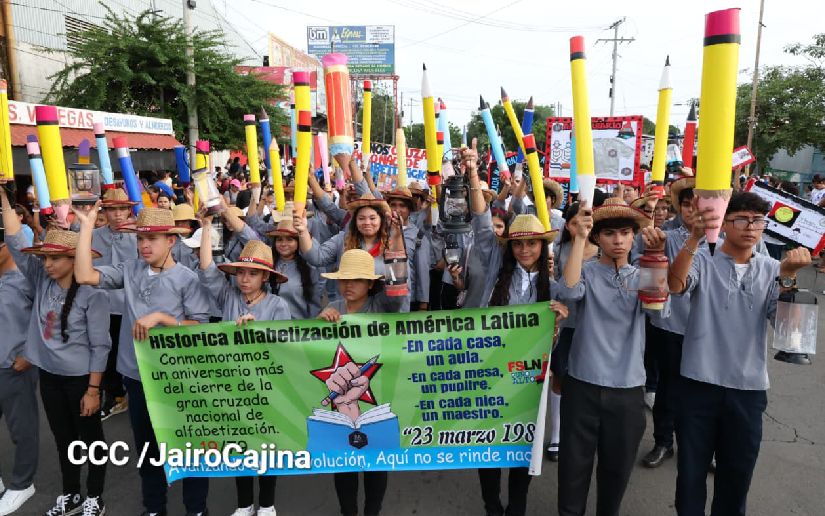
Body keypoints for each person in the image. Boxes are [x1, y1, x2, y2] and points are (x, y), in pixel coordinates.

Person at [667, 192, 811, 516]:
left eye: (758, 220)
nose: (750, 227)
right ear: (725, 223)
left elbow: (791, 334)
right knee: (690, 476)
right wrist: (693, 239)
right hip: (698, 384)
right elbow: (675, 286)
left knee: (736, 479)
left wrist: (789, 278)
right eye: (741, 219)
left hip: (748, 390)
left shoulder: (774, 268)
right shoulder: (703, 258)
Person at [74, 207, 212, 516]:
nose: (144, 245)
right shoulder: (130, 269)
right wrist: (85, 227)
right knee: (148, 449)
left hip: (179, 379)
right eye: (140, 239)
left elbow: (201, 327)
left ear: (171, 241)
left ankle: (196, 509)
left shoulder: (186, 279)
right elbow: (84, 275)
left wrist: (163, 318)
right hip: (137, 376)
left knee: (188, 448)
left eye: (153, 238)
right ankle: (153, 508)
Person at [459, 144, 568, 516]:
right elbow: (479, 218)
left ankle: (517, 506)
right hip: (490, 371)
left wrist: (558, 314)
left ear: (542, 244)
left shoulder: (553, 282)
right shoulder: (494, 266)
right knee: (488, 442)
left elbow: (563, 319)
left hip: (531, 378)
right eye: (519, 244)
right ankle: (492, 504)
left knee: (524, 444)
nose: (524, 250)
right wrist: (473, 171)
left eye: (532, 243)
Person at [3, 189, 112, 516]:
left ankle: (95, 496)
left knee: (90, 441)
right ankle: (71, 494)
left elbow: (100, 345)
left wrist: (94, 390)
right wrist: (6, 202)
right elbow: (15, 244)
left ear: (73, 259)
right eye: (45, 258)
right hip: (50, 378)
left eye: (55, 258)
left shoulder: (93, 294)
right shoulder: (41, 280)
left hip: (81, 381)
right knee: (64, 439)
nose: (47, 264)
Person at [556, 196, 658, 516]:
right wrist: (579, 239)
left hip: (627, 389)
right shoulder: (584, 270)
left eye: (625, 232)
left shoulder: (644, 274)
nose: (618, 240)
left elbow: (659, 310)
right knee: (573, 468)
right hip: (583, 383)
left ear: (633, 236)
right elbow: (569, 291)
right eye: (610, 233)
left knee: (616, 470)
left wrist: (656, 255)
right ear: (598, 237)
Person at [197, 227, 289, 516]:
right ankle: (244, 503)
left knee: (266, 445)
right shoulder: (228, 297)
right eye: (240, 273)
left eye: (252, 274)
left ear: (265, 277)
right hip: (232, 384)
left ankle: (267, 503)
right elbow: (206, 269)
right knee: (239, 443)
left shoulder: (278, 305)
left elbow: (284, 349)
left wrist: (258, 333)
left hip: (266, 386)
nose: (245, 279)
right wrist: (206, 226)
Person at [316, 236, 408, 516]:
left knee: (375, 461)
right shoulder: (333, 308)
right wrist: (321, 319)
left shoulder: (383, 305)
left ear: (370, 283)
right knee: (344, 462)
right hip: (344, 405)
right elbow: (314, 348)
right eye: (344, 279)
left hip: (378, 399)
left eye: (357, 279)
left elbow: (399, 293)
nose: (348, 285)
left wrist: (394, 240)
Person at [0, 226, 37, 516]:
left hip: (14, 366)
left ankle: (23, 483)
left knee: (21, 429)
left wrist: (28, 355)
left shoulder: (27, 280)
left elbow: (46, 319)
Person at [94, 188, 139, 421]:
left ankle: (140, 395)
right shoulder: (94, 235)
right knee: (106, 352)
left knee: (134, 353)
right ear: (105, 211)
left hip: (130, 305)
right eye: (113, 209)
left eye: (122, 209)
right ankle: (116, 396)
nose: (118, 214)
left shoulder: (138, 236)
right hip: (101, 304)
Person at [266, 217, 323, 319]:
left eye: (289, 239)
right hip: (269, 329)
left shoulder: (309, 268)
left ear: (298, 242)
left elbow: (314, 305)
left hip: (299, 330)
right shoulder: (266, 264)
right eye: (279, 239)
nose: (283, 244)